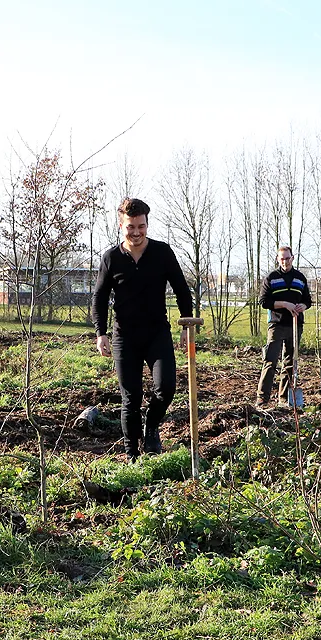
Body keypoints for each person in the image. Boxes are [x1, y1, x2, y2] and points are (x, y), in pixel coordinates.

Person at [91, 198, 194, 462]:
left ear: (147, 224)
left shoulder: (162, 252)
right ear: (121, 225)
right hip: (124, 337)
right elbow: (100, 298)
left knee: (167, 387)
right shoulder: (111, 258)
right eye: (130, 227)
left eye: (141, 226)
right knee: (131, 398)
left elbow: (182, 288)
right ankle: (132, 455)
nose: (136, 232)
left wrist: (186, 321)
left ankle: (152, 426)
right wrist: (100, 332)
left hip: (157, 333)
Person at [256, 246, 312, 405]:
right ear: (278, 259)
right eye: (282, 259)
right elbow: (264, 301)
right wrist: (284, 304)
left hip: (295, 325)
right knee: (270, 360)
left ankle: (284, 399)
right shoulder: (271, 278)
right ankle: (262, 399)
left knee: (289, 363)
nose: (285, 261)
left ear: (292, 258)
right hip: (277, 324)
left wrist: (303, 306)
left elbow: (308, 300)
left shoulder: (300, 278)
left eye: (287, 258)